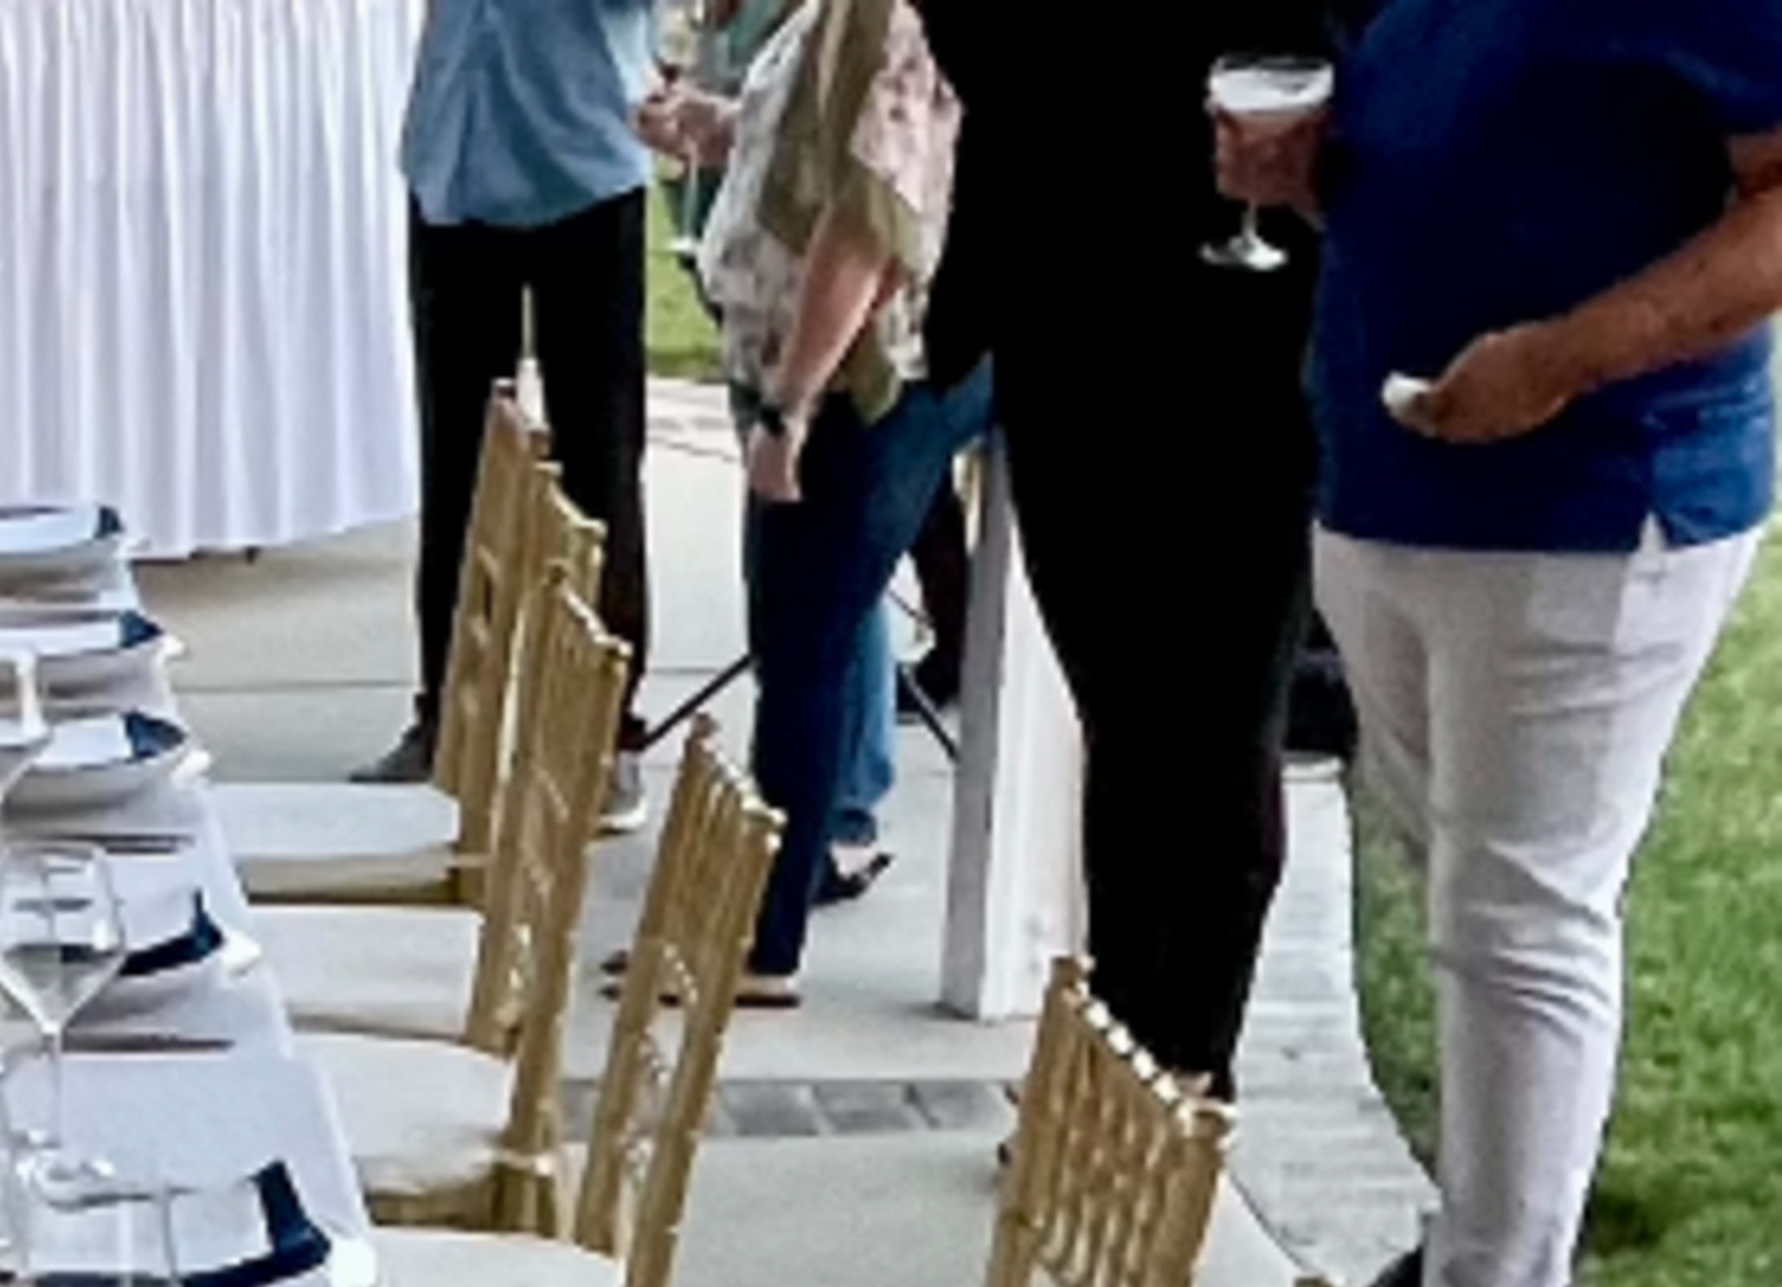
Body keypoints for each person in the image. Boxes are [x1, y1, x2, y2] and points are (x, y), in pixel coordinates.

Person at [1222, 0, 1782, 1287]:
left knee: (1523, 911)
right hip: (1392, 470)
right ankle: (1479, 1241)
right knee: (1456, 888)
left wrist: (1566, 358)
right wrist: (1313, 171)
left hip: (1593, 493)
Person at [914, 0, 1325, 1100]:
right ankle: (1119, 1056)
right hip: (1065, 311)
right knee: (1123, 714)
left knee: (1223, 714)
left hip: (1255, 338)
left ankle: (1186, 1065)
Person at [660, 0, 984, 997]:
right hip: (834, 377)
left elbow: (870, 223)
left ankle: (765, 941)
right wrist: (723, 125)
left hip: (859, 388)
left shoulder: (889, 16)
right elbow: (826, 149)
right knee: (806, 651)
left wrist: (791, 407)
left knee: (803, 654)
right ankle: (777, 902)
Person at [385, 0, 657, 790]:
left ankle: (604, 733)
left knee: (599, 468)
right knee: (457, 468)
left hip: (584, 160)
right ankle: (448, 718)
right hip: (454, 159)